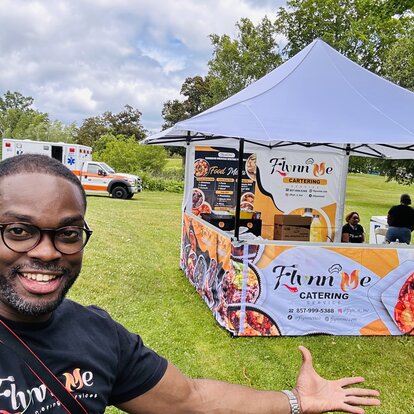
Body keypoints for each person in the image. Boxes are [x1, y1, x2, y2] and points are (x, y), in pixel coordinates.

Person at [0, 154, 380, 413]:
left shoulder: (98, 335)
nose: (48, 253)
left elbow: (191, 400)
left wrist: (296, 400)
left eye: (67, 233)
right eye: (19, 231)